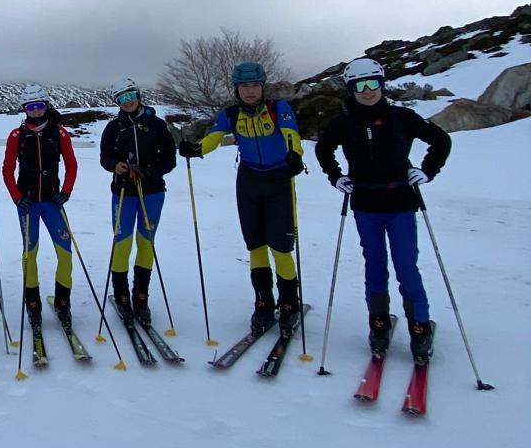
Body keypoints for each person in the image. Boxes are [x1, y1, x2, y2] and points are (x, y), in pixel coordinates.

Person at [314, 56, 450, 360]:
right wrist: (336, 177)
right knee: (374, 265)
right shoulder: (344, 122)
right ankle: (378, 324)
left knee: (406, 265)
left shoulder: (402, 117)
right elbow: (323, 149)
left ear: (382, 84)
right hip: (365, 203)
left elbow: (440, 140)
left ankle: (419, 328)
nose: (367, 90)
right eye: (359, 85)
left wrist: (427, 171)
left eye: (372, 83)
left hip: (400, 202)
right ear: (351, 89)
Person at [178, 62, 305, 336]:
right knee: (256, 245)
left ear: (263, 87)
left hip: (278, 181)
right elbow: (214, 137)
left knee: (281, 247)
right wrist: (196, 149)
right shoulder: (231, 114)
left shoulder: (277, 108)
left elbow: (291, 134)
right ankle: (263, 301)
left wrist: (295, 155)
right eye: (244, 86)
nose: (250, 91)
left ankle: (289, 303)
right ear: (237, 89)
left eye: (255, 86)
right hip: (249, 181)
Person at [98, 78, 177, 327]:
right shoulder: (113, 127)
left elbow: (169, 160)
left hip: (152, 192)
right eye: (121, 98)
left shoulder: (156, 125)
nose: (127, 101)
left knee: (146, 242)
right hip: (123, 192)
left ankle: (140, 297)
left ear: (138, 94)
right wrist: (116, 166)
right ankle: (122, 297)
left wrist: (148, 170)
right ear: (117, 103)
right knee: (122, 243)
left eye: (130, 95)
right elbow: (104, 157)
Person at [2, 84, 78, 330]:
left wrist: (65, 192)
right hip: (27, 204)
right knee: (30, 254)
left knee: (65, 253)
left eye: (39, 106)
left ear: (47, 105)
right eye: (30, 107)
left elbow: (71, 165)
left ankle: (63, 302)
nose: (35, 111)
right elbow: (7, 169)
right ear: (24, 109)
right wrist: (16, 196)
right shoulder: (17, 135)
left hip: (52, 202)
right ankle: (33, 304)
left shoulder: (60, 133)